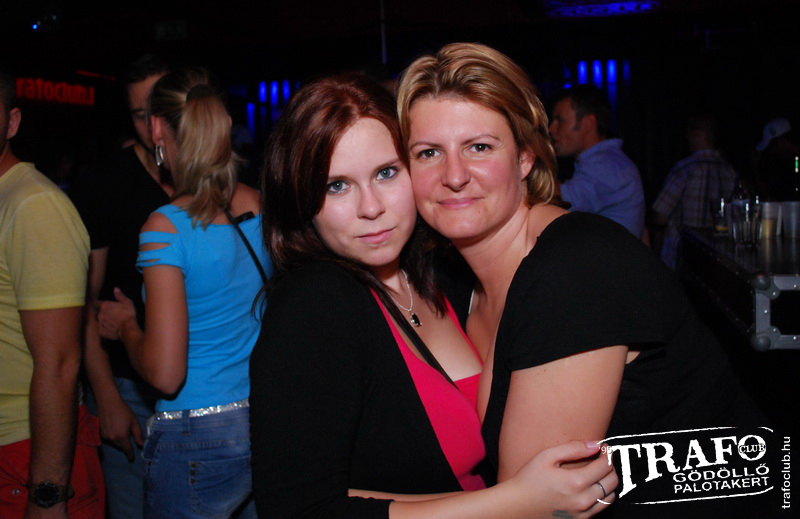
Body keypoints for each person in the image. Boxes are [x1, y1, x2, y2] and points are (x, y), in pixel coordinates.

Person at [397, 42, 771, 518]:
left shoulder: (575, 270)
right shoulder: (457, 282)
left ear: (525, 157)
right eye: (429, 152)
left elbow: (538, 513)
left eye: (479, 147)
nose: (454, 175)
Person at [250, 72, 616, 519]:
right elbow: (295, 509)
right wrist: (519, 501)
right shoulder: (315, 303)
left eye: (386, 173)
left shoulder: (444, 278)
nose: (371, 207)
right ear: (301, 197)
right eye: (337, 185)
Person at [96, 66, 271, 518]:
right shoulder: (259, 205)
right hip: (262, 424)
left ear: (157, 128)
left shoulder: (165, 228)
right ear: (223, 124)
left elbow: (165, 373)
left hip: (196, 437)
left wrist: (127, 327)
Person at [69, 54, 172, 519]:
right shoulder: (102, 183)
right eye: (139, 114)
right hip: (128, 387)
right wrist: (106, 396)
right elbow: (83, 302)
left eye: (161, 109)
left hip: (203, 388)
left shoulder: (209, 183)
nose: (153, 126)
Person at [1, 68, 104, 518]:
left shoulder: (34, 206)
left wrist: (47, 496)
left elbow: (60, 363)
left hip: (26, 451)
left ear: (11, 123)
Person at [548, 84, 645, 238]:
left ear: (588, 123)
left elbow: (557, 201)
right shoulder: (610, 161)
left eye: (560, 120)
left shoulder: (605, 165)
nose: (551, 128)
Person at [651, 113, 739, 270]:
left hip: (680, 258)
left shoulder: (685, 168)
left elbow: (660, 217)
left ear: (698, 134)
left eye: (689, 134)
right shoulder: (730, 171)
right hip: (716, 260)